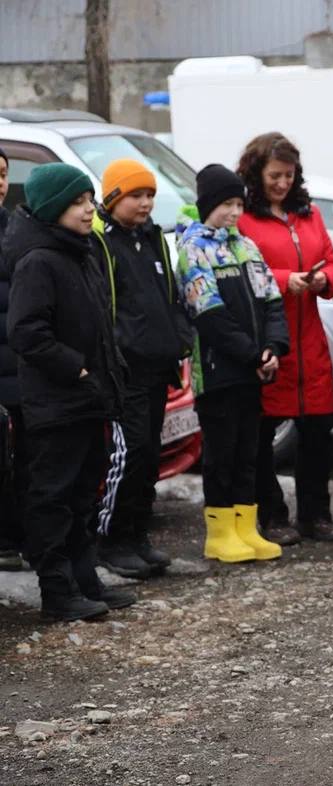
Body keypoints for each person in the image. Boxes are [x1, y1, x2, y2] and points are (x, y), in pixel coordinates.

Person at [6, 163, 134, 620]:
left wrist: (108, 373)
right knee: (53, 498)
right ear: (54, 207)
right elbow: (27, 332)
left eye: (88, 200)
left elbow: (99, 327)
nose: (89, 210)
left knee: (85, 496)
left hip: (89, 401)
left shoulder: (81, 253)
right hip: (57, 404)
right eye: (78, 202)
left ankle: (85, 581)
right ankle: (56, 592)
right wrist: (76, 369)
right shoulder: (38, 260)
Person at [175, 164, 290, 563]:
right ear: (208, 205)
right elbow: (209, 314)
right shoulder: (193, 249)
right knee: (221, 452)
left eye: (239, 203)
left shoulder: (246, 245)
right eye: (227, 203)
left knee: (249, 450)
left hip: (252, 370)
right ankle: (219, 532)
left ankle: (246, 527)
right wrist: (250, 353)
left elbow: (272, 299)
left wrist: (274, 346)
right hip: (219, 371)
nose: (234, 212)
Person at [237, 133, 333, 544]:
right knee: (264, 436)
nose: (283, 183)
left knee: (318, 432)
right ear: (256, 174)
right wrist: (286, 280)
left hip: (311, 339)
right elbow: (246, 273)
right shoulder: (244, 219)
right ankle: (273, 514)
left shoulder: (310, 214)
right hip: (270, 339)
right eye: (274, 175)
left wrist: (322, 280)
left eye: (289, 175)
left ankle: (316, 514)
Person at [90, 159, 192, 579]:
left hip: (155, 366)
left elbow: (167, 294)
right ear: (114, 198)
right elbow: (104, 307)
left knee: (149, 455)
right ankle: (110, 538)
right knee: (127, 454)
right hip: (125, 370)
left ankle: (137, 533)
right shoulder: (102, 244)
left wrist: (179, 336)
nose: (146, 203)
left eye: (150, 194)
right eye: (136, 195)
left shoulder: (151, 239)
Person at [0, 145, 27, 572]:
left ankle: (14, 537)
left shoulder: (15, 227)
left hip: (19, 367)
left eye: (3, 174)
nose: (0, 183)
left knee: (22, 457)